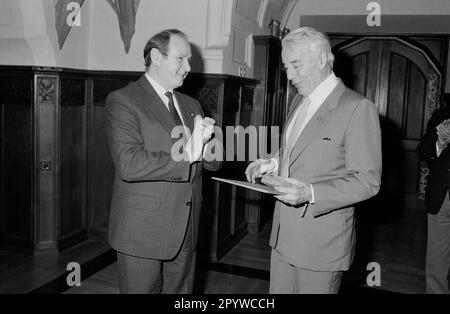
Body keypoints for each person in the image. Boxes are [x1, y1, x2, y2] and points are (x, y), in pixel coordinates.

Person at [245, 27, 382, 294]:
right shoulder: (298, 100)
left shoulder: (357, 108)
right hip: (283, 236)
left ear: (321, 59)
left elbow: (367, 182)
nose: (289, 75)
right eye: (286, 67)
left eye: (295, 65)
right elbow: (296, 147)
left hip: (320, 244)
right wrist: (272, 163)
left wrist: (309, 193)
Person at [105, 29, 221, 294]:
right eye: (181, 59)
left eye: (189, 60)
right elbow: (129, 163)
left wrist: (209, 145)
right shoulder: (123, 100)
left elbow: (212, 162)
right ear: (156, 57)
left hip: (187, 226)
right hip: (142, 230)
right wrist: (189, 154)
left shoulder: (192, 104)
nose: (189, 67)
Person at [417, 105, 450, 294]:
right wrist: (441, 142)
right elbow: (422, 150)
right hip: (441, 198)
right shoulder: (442, 114)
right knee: (436, 263)